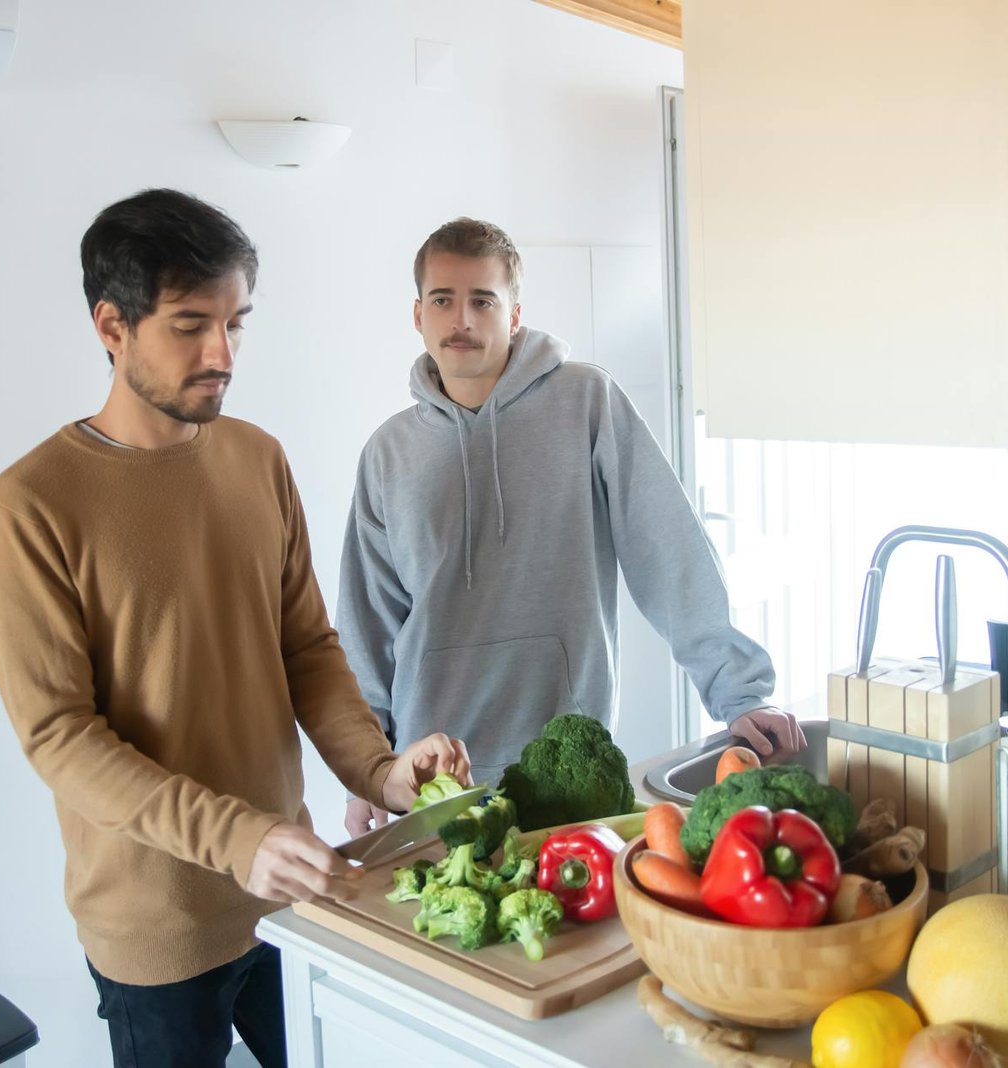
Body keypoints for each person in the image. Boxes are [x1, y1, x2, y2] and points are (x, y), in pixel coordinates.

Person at [0, 189, 468, 1068]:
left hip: (289, 890)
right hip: (154, 926)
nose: (222, 353)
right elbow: (60, 737)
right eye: (190, 324)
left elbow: (308, 650)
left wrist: (381, 769)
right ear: (111, 326)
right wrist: (234, 836)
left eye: (237, 323)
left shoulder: (256, 458)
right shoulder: (31, 505)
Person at [337, 216, 802, 837]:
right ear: (418, 315)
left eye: (483, 300)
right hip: (431, 775)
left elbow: (669, 551)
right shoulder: (388, 452)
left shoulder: (588, 402)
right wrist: (367, 769)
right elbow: (367, 620)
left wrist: (741, 694)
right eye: (443, 300)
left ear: (515, 313)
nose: (462, 320)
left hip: (567, 754)